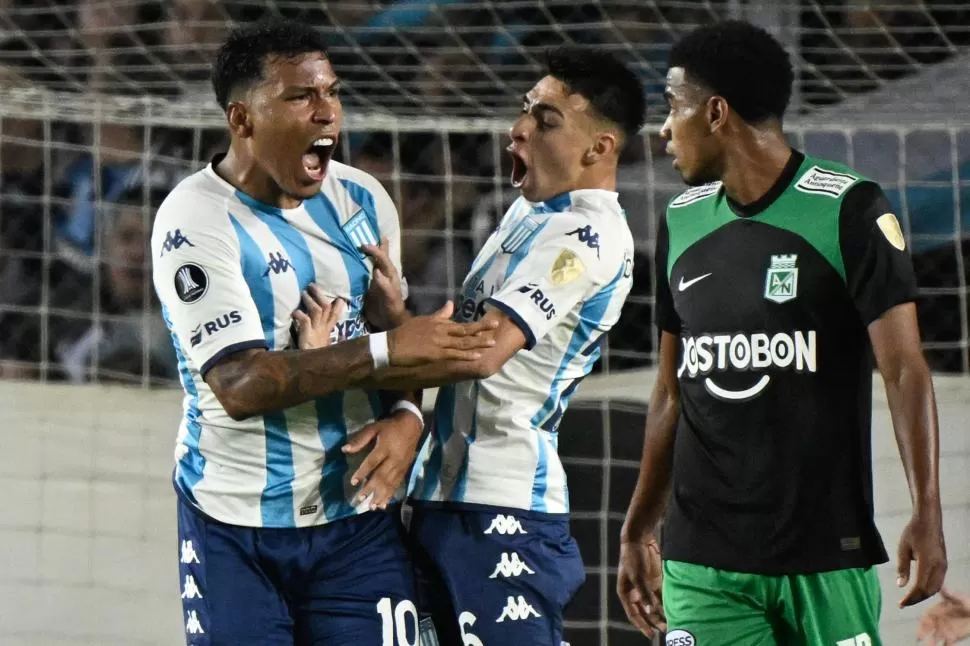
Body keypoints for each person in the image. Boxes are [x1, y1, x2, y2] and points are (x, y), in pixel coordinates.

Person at [151, 19, 495, 645]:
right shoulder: (195, 220)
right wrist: (381, 349)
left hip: (354, 520)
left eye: (331, 92)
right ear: (242, 119)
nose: (326, 113)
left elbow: (395, 339)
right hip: (234, 525)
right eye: (300, 96)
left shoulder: (361, 200)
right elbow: (240, 384)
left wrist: (407, 418)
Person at [616, 20, 947, 645]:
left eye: (671, 105)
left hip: (823, 550)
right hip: (702, 556)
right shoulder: (681, 222)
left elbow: (904, 368)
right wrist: (638, 527)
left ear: (715, 112)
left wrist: (927, 511)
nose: (662, 129)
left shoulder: (849, 208)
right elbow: (669, 390)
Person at [332, 46, 644, 644]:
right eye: (526, 111)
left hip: (501, 510)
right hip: (440, 501)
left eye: (546, 121)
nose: (519, 129)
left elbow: (484, 351)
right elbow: (460, 340)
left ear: (599, 149)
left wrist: (381, 369)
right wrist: (396, 313)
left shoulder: (588, 233)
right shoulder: (527, 214)